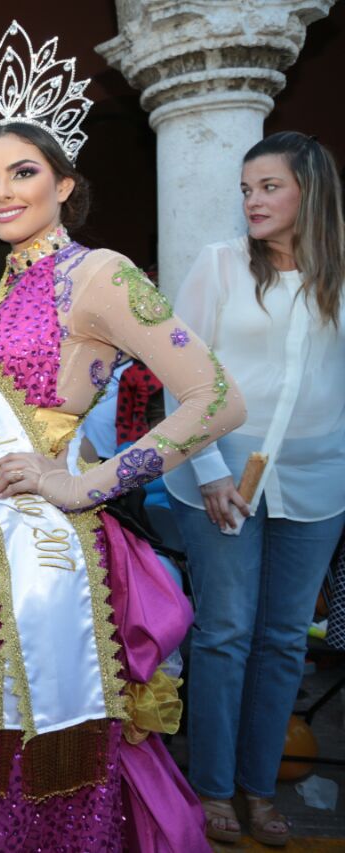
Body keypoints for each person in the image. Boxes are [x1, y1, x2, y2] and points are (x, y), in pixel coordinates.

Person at [0, 22, 245, 852]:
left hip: (43, 554)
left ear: (64, 183)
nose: (1, 192)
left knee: (43, 758)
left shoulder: (99, 275)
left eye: (23, 172)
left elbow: (217, 399)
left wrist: (87, 486)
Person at [164, 131, 345, 847]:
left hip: (318, 478)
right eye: (246, 188)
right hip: (221, 472)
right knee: (226, 634)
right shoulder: (218, 265)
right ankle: (211, 789)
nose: (253, 201)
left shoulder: (339, 270)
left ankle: (260, 789)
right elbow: (186, 375)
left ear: (311, 190)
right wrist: (207, 470)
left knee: (283, 643)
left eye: (269, 186)